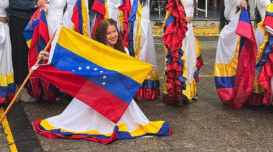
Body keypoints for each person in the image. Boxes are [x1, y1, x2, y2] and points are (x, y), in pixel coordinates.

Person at [33, 19, 171, 144]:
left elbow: (129, 69)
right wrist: (49, 56)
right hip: (96, 92)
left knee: (134, 122)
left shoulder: (123, 51)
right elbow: (73, 60)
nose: (113, 35)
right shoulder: (95, 51)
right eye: (108, 33)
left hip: (116, 94)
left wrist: (143, 67)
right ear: (102, 36)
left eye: (114, 31)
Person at [7, 0, 48, 102]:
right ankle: (21, 89)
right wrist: (35, 3)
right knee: (21, 55)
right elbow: (14, 1)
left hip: (33, 21)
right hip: (20, 21)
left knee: (33, 55)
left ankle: (32, 87)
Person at [162, 0, 203, 106]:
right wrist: (182, 18)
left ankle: (189, 91)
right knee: (180, 58)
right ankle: (180, 91)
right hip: (179, 30)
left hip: (189, 29)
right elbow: (171, 10)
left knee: (191, 58)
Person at [129, 0, 160, 100]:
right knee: (139, 53)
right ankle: (137, 89)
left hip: (145, 25)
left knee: (146, 54)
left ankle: (145, 89)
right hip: (138, 25)